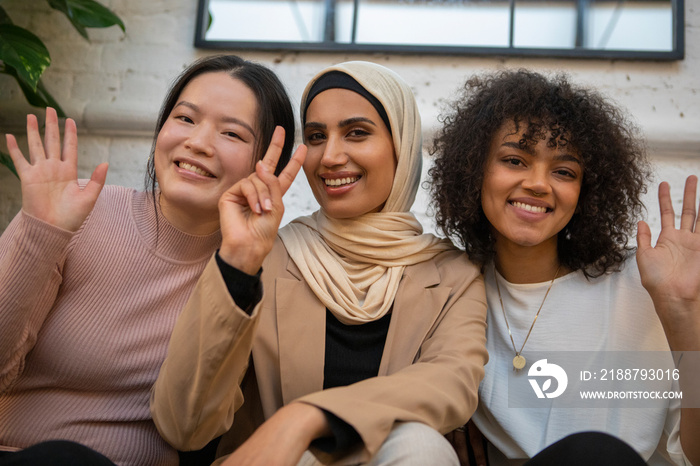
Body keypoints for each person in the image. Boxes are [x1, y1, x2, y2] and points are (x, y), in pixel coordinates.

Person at [151, 61, 489, 465]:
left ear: (402, 143)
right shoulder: (267, 255)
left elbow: (451, 384)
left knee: (421, 446)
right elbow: (182, 426)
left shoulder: (454, 275)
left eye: (357, 133)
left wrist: (306, 418)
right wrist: (238, 264)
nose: (329, 156)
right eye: (315, 136)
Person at [0, 54, 297, 465]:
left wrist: (236, 266)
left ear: (268, 165)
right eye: (186, 119)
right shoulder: (79, 210)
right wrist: (41, 235)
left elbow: (192, 430)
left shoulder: (260, 271)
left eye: (231, 133)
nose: (198, 142)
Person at [429, 69, 700, 465]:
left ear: (586, 192)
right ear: (474, 170)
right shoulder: (451, 290)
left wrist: (685, 318)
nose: (539, 184)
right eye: (514, 160)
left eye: (564, 171)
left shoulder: (644, 285)